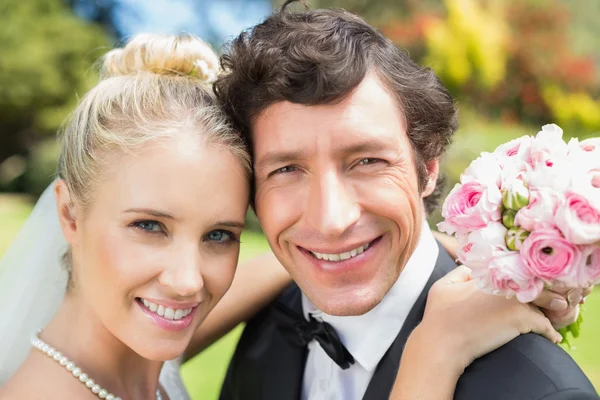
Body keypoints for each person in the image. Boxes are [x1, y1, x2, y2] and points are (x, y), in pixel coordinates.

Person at [0, 33, 587, 400]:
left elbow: (300, 254)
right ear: (69, 216)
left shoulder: (139, 346)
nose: (187, 280)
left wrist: (460, 245)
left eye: (220, 234)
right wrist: (433, 355)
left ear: (427, 169)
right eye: (148, 225)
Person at [212, 3, 598, 400]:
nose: (331, 220)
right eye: (287, 170)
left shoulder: (543, 392)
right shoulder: (267, 320)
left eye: (367, 161)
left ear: (427, 169)